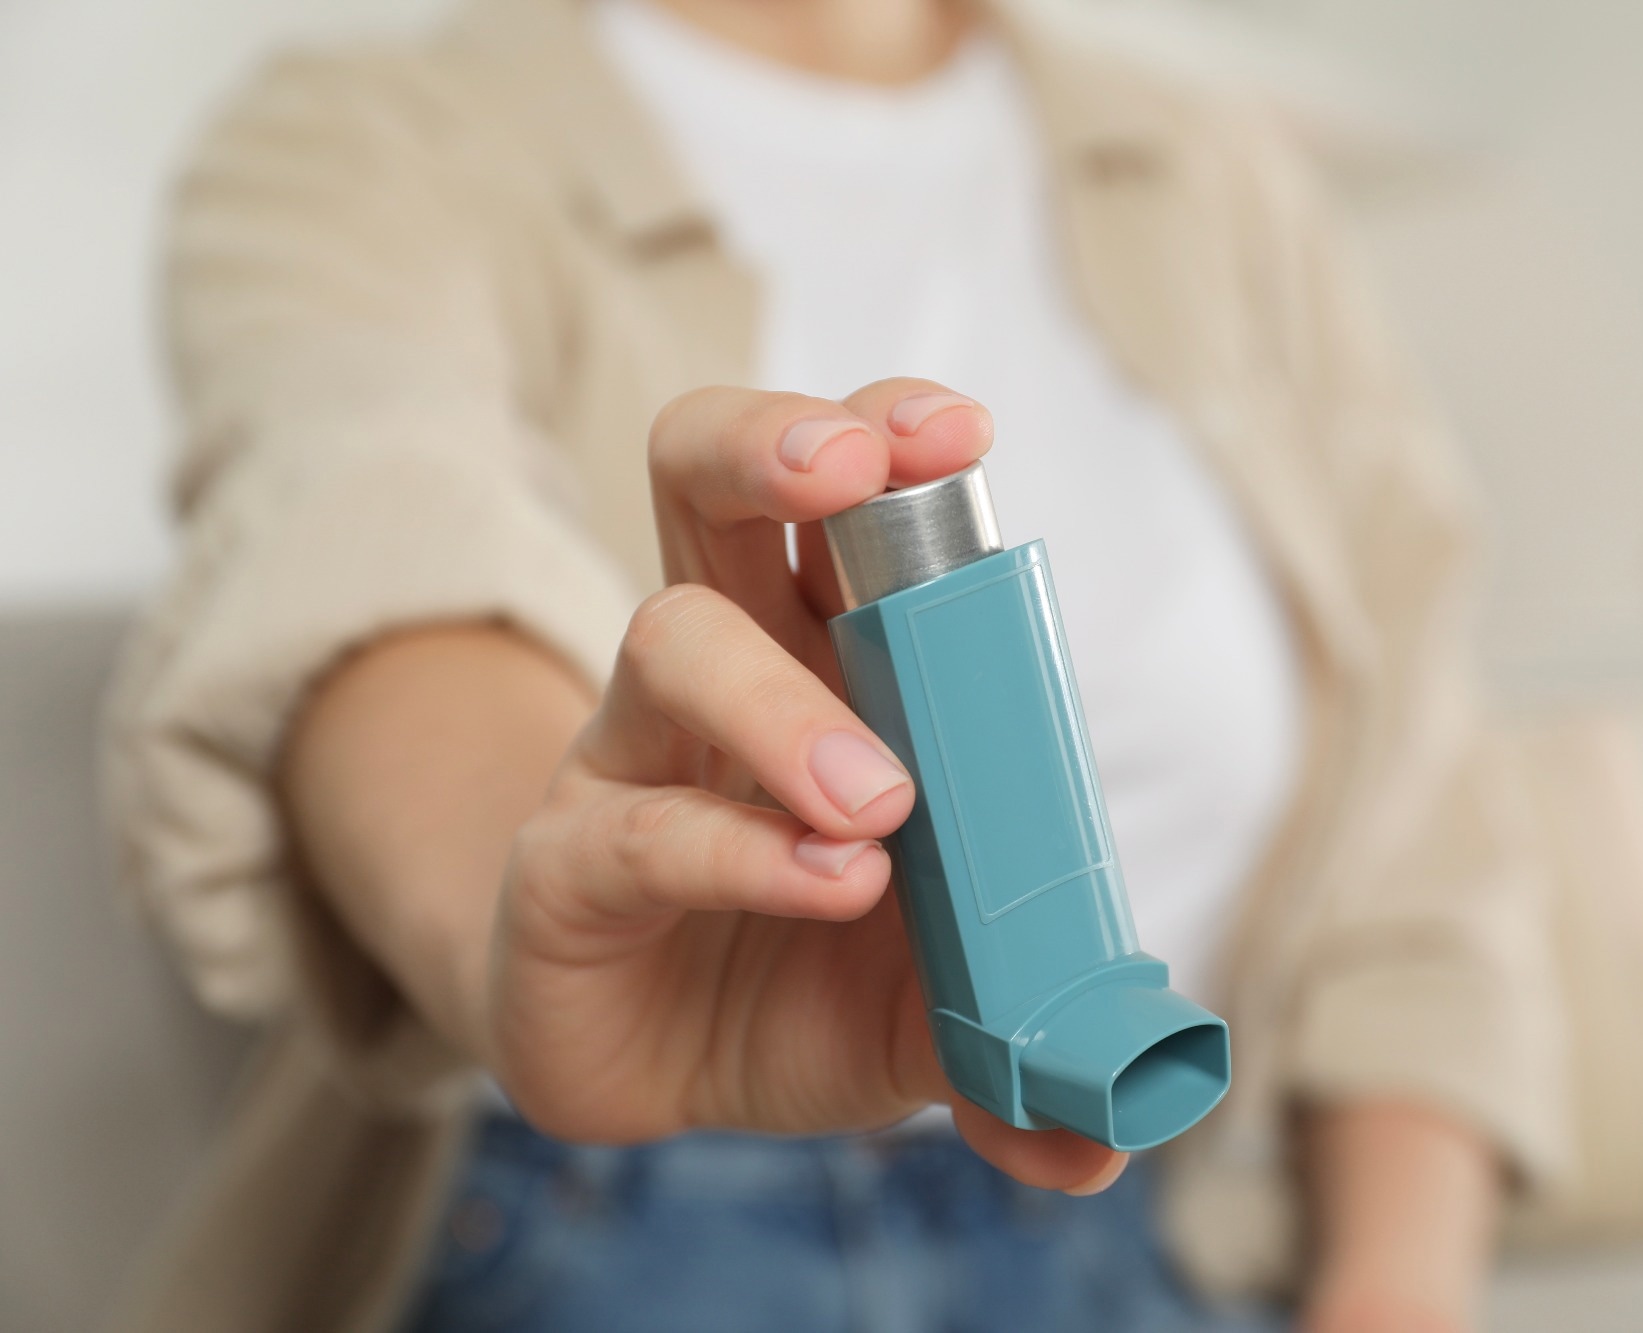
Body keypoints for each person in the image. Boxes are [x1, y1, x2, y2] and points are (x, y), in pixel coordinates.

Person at [104, 0, 1563, 1328]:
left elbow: (1419, 826)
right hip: (617, 1217)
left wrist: (1391, 1291)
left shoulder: (1218, 174)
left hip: (1130, 1209)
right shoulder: (375, 142)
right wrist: (551, 926)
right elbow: (372, 544)